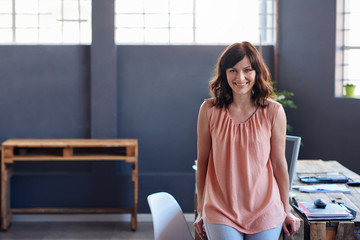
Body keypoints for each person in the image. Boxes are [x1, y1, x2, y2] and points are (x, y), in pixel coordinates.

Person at [194, 41, 300, 240]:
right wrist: (201, 208)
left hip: (265, 208)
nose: (240, 77)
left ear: (256, 72)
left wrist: (286, 208)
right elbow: (203, 161)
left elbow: (279, 164)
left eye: (247, 70)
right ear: (224, 74)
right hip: (220, 209)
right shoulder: (208, 110)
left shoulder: (274, 111)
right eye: (233, 70)